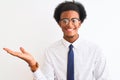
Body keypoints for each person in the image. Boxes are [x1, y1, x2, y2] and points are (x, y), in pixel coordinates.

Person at [3, 1, 109, 80]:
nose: (69, 24)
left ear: (80, 23)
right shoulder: (51, 51)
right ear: (59, 23)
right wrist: (33, 64)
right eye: (65, 20)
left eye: (74, 20)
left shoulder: (95, 50)